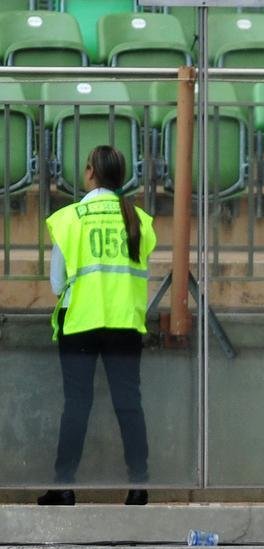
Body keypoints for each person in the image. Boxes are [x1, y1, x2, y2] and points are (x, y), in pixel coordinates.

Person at [38, 145, 155, 507]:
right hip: (124, 323)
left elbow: (57, 284)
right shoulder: (137, 219)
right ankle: (139, 485)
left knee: (76, 404)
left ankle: (64, 486)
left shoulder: (70, 219)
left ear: (89, 172)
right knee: (128, 404)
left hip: (81, 323)